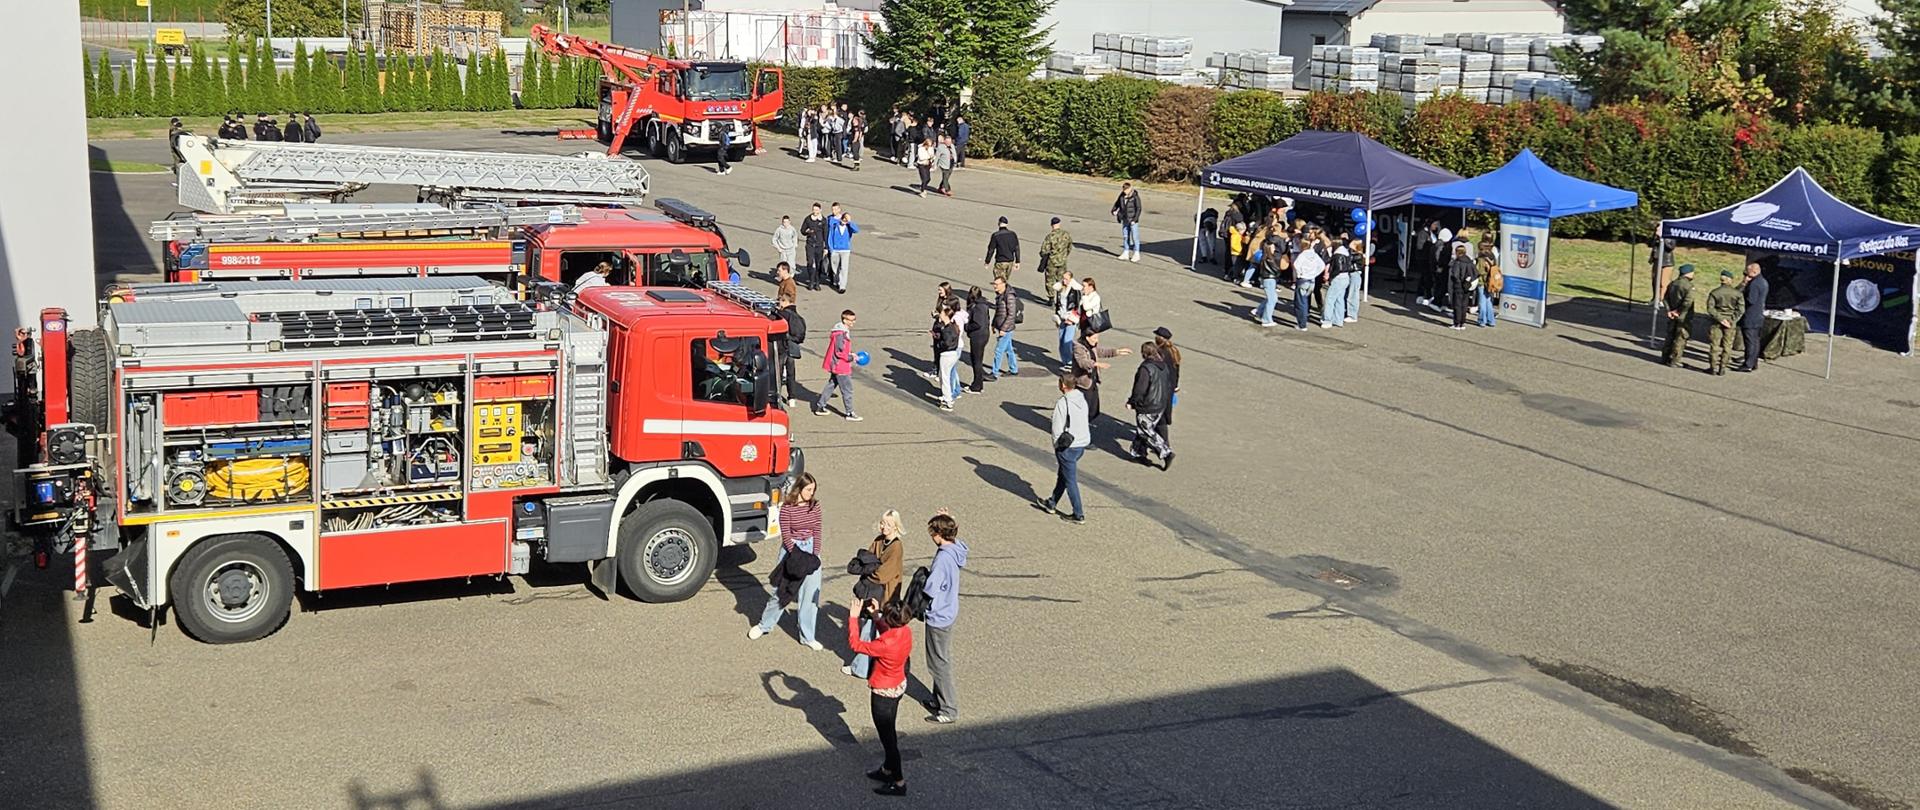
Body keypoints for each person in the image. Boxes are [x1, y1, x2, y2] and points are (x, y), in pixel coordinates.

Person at [749, 473, 825, 650]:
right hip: (793, 552)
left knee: (810, 595)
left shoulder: (815, 506)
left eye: (813, 490)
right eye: (808, 489)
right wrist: (797, 556)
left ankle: (808, 636)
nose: (811, 493)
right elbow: (786, 535)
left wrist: (814, 554)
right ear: (799, 488)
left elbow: (817, 530)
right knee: (781, 592)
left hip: (810, 548)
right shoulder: (787, 508)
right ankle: (764, 625)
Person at [848, 597, 914, 797]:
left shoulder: (884, 643)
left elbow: (856, 645)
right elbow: (888, 630)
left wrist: (853, 618)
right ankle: (887, 769)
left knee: (888, 739)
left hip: (883, 692)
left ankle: (898, 781)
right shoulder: (905, 632)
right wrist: (877, 616)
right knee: (890, 731)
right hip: (898, 684)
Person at [844, 509, 907, 678]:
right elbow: (869, 558)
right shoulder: (879, 540)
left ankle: (861, 668)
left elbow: (882, 574)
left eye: (888, 524)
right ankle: (869, 668)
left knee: (871, 633)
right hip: (875, 595)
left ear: (896, 526)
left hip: (885, 597)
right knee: (872, 631)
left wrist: (866, 571)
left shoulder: (896, 547)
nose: (884, 527)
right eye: (882, 523)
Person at [919, 511, 968, 724]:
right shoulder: (955, 550)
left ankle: (948, 708)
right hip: (949, 611)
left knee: (938, 663)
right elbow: (960, 544)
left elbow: (930, 588)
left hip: (938, 615)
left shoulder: (941, 559)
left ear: (939, 534)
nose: (932, 536)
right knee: (941, 658)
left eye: (933, 532)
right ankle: (938, 699)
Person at [1039, 373, 1091, 524]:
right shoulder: (1082, 399)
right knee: (1064, 474)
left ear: (1063, 385)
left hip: (1067, 446)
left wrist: (1056, 445)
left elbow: (1056, 428)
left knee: (1070, 480)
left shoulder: (1063, 403)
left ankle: (1078, 513)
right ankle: (1052, 502)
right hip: (1081, 443)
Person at [1126, 342, 1175, 469]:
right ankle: (1138, 453)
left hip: (1148, 405)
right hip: (1160, 404)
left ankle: (1166, 452)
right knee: (1142, 430)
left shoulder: (1146, 368)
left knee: (1147, 430)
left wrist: (1132, 402)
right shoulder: (1163, 366)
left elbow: (1139, 389)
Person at [1071, 326, 1130, 422]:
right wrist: (1096, 364)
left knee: (1094, 409)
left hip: (1092, 380)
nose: (1097, 340)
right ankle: (1076, 425)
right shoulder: (1078, 348)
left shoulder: (1092, 346)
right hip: (1083, 383)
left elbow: (1100, 352)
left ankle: (1082, 425)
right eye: (1094, 338)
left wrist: (1117, 352)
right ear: (1087, 337)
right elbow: (1082, 362)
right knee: (1084, 409)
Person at [813, 310, 861, 420]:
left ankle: (820, 406)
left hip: (836, 365)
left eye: (854, 319)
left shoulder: (839, 331)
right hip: (841, 366)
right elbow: (840, 352)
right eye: (851, 320)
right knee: (847, 390)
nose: (853, 322)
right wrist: (851, 357)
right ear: (844, 320)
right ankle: (849, 413)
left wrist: (850, 353)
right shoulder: (841, 334)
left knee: (831, 385)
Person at [1707, 271, 1744, 376]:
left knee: (1714, 345)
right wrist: (1732, 320)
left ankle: (1713, 367)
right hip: (1730, 322)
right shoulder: (1737, 294)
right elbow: (1741, 309)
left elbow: (1710, 308)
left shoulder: (1714, 293)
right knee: (1727, 345)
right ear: (1730, 280)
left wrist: (1720, 319)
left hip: (1716, 322)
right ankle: (1722, 367)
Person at [1662, 264, 1700, 367]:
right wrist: (1678, 311)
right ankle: (1675, 360)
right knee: (1680, 338)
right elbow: (1688, 301)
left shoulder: (1673, 284)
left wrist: (1669, 311)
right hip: (1683, 316)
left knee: (1670, 336)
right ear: (1689, 273)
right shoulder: (1688, 286)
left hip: (1672, 315)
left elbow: (1665, 298)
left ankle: (1664, 357)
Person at [1152, 327, 1180, 449]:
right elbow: (1176, 370)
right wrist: (1176, 385)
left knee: (1158, 416)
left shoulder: (1160, 353)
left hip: (1162, 388)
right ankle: (1161, 442)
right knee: (1162, 416)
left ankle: (1163, 444)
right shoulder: (1173, 351)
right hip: (1170, 386)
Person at [775, 293, 805, 407]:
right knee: (791, 373)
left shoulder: (783, 314)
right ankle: (792, 397)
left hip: (782, 347)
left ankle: (777, 395)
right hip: (792, 347)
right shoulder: (797, 315)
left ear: (784, 301)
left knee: (778, 372)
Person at [1293, 234, 1327, 330]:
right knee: (1305, 300)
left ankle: (1302, 324)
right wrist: (1315, 274)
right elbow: (1322, 265)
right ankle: (1304, 321)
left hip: (1303, 279)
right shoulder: (1315, 254)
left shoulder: (1302, 255)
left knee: (1300, 303)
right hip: (1312, 280)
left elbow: (1296, 265)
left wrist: (1300, 273)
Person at [1739, 262, 1768, 372]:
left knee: (1750, 341)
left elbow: (1751, 299)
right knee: (1755, 341)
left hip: (1751, 316)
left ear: (1754, 272)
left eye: (1748, 272)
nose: (1746, 274)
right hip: (1758, 316)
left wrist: (1744, 288)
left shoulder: (1754, 284)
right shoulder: (1763, 282)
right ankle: (1753, 362)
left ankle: (1748, 364)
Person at [933, 305, 961, 411]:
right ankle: (947, 396)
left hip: (946, 354)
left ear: (946, 315)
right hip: (953, 354)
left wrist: (940, 343)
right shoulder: (953, 327)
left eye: (942, 313)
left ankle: (947, 400)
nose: (940, 314)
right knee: (945, 376)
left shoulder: (947, 329)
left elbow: (947, 343)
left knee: (944, 377)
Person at [1324, 236, 1357, 327]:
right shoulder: (1346, 253)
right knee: (1339, 299)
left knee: (1330, 299)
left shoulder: (1337, 255)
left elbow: (1338, 268)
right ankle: (1338, 320)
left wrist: (1331, 277)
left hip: (1338, 277)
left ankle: (1327, 320)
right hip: (1346, 277)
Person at [1039, 217, 1073, 304]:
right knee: (1062, 280)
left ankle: (1051, 298)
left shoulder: (1050, 236)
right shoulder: (1066, 234)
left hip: (1052, 262)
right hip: (1062, 261)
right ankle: (1060, 297)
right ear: (1059, 223)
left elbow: (1044, 250)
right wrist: (1064, 255)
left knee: (1050, 280)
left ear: (1051, 225)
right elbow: (1069, 247)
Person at [991, 277, 1019, 379]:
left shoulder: (1009, 296)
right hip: (1001, 326)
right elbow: (998, 311)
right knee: (1009, 349)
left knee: (999, 350)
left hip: (1006, 328)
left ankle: (994, 373)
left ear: (1003, 284)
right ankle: (1013, 369)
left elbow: (1011, 314)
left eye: (996, 284)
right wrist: (994, 324)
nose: (995, 286)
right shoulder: (1000, 295)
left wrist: (1003, 329)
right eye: (994, 284)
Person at [827, 204, 859, 294]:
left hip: (845, 249)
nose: (843, 221)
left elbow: (856, 230)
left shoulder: (848, 226)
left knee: (844, 268)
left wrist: (849, 222)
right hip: (835, 249)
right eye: (843, 220)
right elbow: (830, 236)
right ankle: (836, 280)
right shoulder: (834, 224)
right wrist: (831, 248)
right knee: (835, 267)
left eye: (845, 220)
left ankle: (842, 286)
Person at [965, 286, 992, 392]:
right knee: (977, 360)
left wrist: (966, 327)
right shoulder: (984, 305)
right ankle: (978, 383)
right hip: (984, 334)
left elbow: (977, 323)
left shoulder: (977, 307)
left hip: (978, 336)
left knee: (976, 360)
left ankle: (977, 385)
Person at [1254, 238, 1285, 328]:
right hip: (1269, 279)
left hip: (1267, 279)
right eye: (1272, 247)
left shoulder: (1265, 257)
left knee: (1272, 298)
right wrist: (1279, 271)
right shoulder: (1269, 259)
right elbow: (1276, 270)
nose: (1274, 249)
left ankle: (1259, 311)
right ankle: (1266, 319)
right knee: (1272, 300)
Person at [1054, 271, 1082, 366]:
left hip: (1071, 318)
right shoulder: (1060, 289)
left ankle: (1070, 362)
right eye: (1063, 278)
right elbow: (1058, 304)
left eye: (1066, 279)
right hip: (1062, 316)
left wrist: (1071, 318)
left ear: (1071, 279)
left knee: (1067, 341)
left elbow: (1077, 306)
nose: (1064, 281)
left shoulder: (1074, 290)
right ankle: (1065, 361)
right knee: (1061, 341)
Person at [1112, 182, 1143, 262]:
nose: (1125, 191)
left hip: (1132, 220)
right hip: (1125, 219)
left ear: (1130, 189)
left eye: (1126, 190)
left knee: (1135, 237)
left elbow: (1138, 208)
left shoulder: (1135, 196)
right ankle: (1126, 252)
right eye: (1123, 189)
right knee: (1126, 236)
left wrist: (1135, 219)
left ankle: (1136, 253)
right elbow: (1117, 204)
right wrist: (1114, 211)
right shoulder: (1122, 196)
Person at [1446, 243, 1475, 330]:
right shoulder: (1470, 262)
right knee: (1464, 305)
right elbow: (1475, 273)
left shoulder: (1458, 262)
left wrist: (1456, 281)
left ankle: (1456, 323)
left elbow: (1455, 274)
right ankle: (1462, 323)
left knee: (1457, 305)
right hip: (1467, 286)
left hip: (1458, 286)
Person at [800, 203, 828, 291]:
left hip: (819, 245)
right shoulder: (808, 219)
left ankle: (817, 282)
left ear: (820, 210)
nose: (815, 212)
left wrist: (826, 247)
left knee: (819, 264)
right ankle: (811, 281)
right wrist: (808, 232)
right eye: (813, 210)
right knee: (810, 263)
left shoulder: (823, 220)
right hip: (810, 244)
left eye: (816, 210)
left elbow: (825, 234)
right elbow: (802, 230)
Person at [984, 216, 1020, 284]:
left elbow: (991, 250)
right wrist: (1017, 261)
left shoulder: (996, 235)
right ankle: (1004, 293)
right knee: (1005, 281)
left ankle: (1002, 294)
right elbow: (1017, 248)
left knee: (999, 282)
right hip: (1010, 262)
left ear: (999, 223)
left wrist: (987, 261)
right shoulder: (1013, 234)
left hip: (1000, 262)